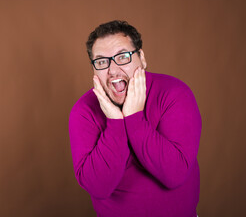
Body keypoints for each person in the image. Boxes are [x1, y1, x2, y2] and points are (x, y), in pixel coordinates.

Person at [68, 20, 202, 217]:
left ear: (142, 58)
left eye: (122, 57)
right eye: (102, 61)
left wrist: (133, 118)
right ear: (94, 70)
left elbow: (175, 174)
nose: (113, 70)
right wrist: (115, 123)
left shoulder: (175, 93)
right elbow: (98, 187)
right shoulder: (83, 111)